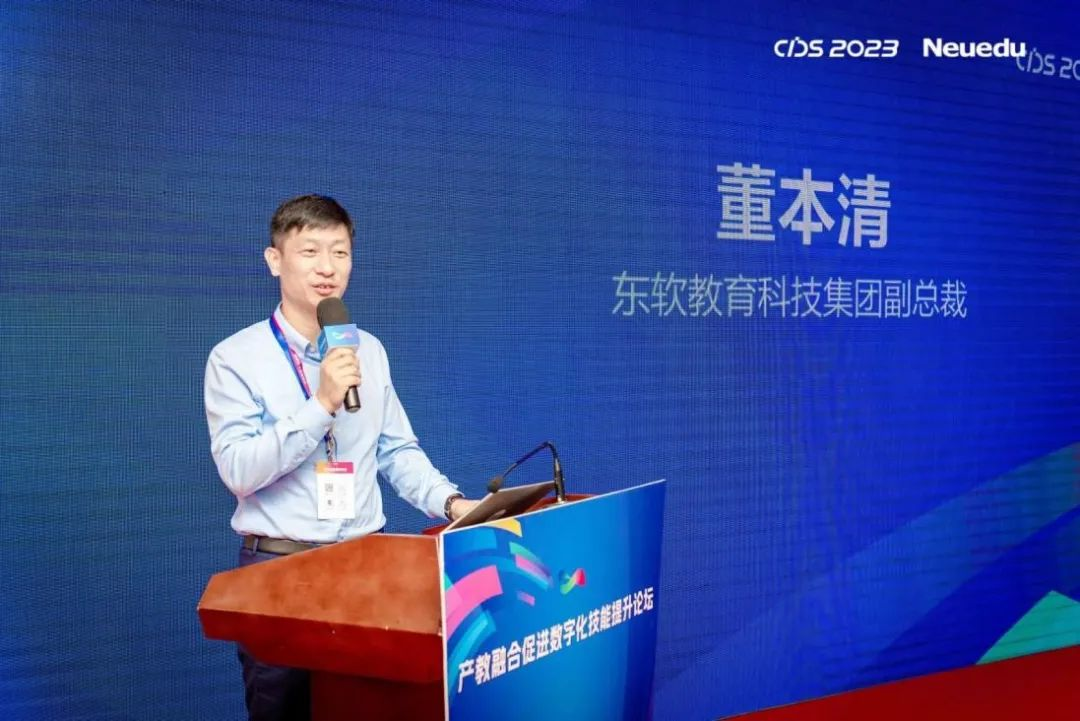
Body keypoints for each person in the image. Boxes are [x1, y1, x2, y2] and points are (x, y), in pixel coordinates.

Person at [204, 194, 478, 721]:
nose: (327, 268)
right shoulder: (235, 358)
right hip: (280, 571)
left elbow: (396, 450)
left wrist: (452, 504)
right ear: (275, 260)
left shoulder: (366, 350)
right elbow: (239, 471)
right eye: (310, 251)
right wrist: (322, 404)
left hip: (366, 567)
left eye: (340, 252)